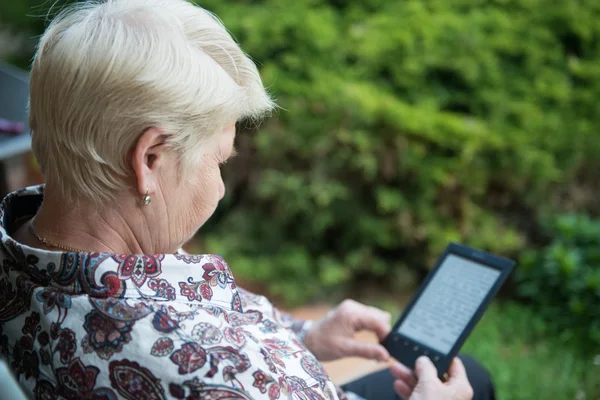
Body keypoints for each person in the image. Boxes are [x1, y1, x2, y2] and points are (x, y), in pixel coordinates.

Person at [0, 0, 496, 399]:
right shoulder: (220, 376)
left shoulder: (27, 248)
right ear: (149, 159)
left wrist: (304, 335)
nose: (219, 185)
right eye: (219, 160)